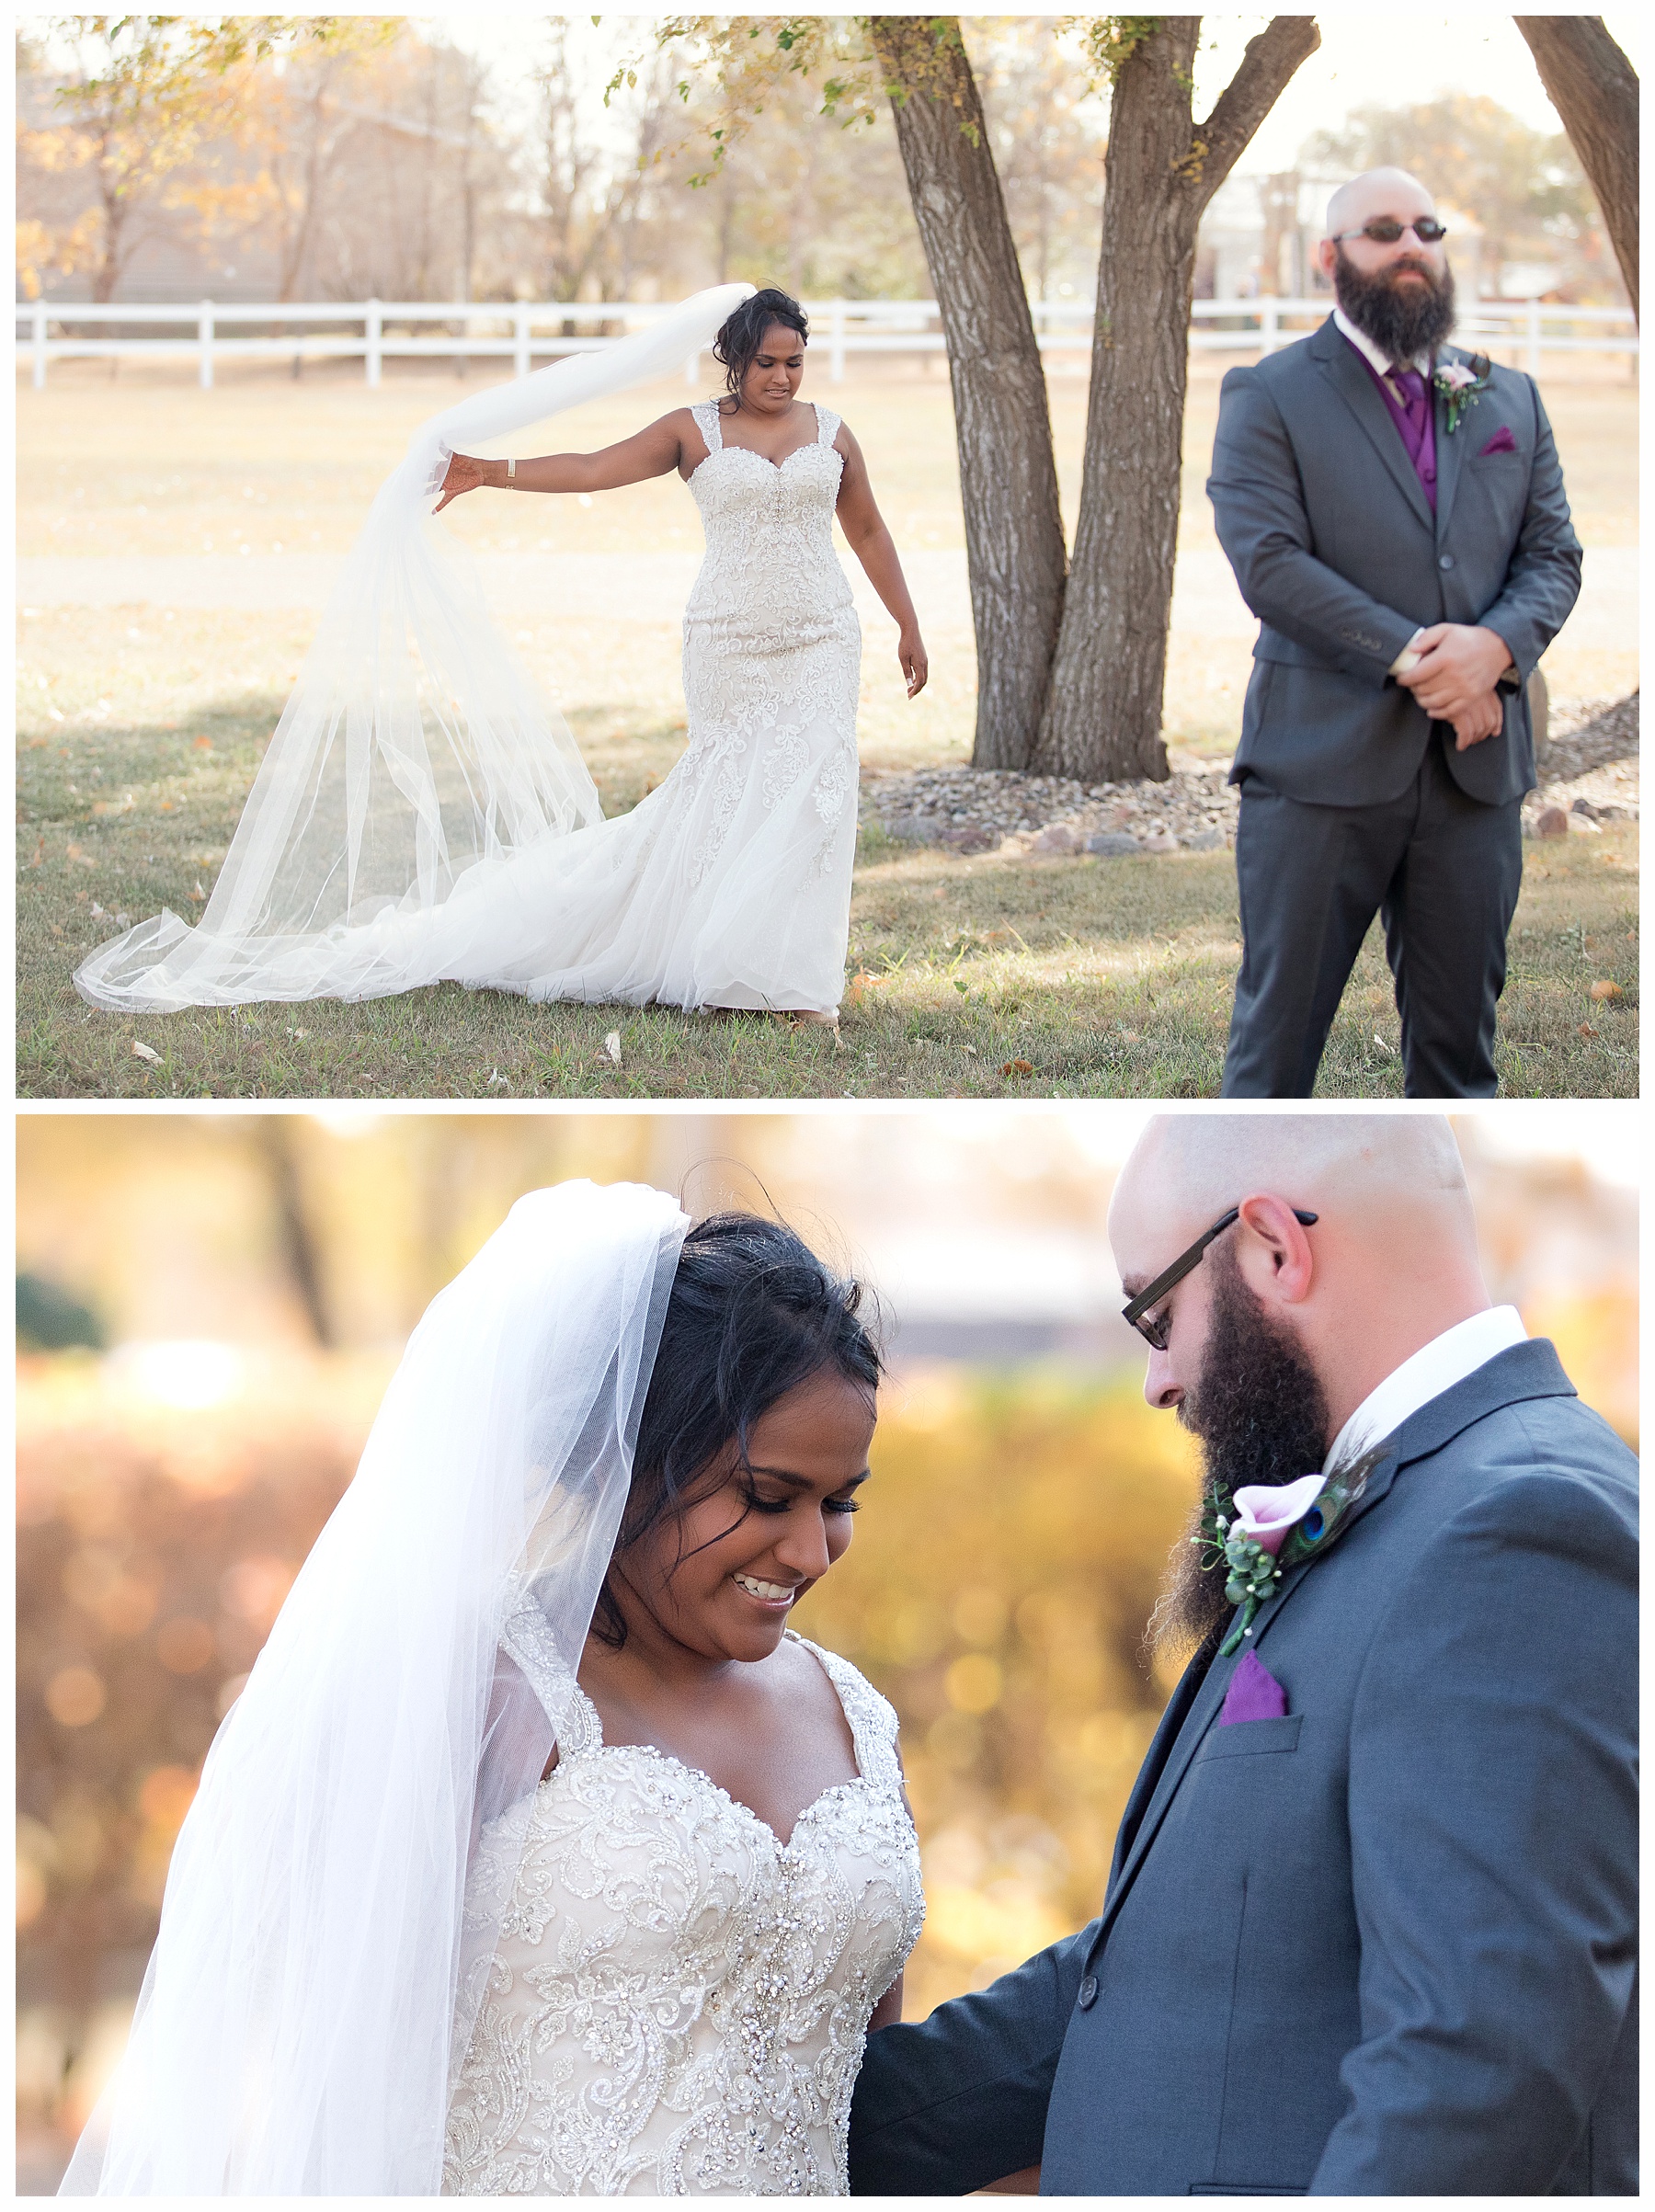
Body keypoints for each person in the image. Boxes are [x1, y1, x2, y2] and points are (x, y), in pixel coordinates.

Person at [62, 1184, 921, 2195]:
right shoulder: (483, 1694)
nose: (813, 1548)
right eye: (769, 1498)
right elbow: (350, 2085)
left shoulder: (850, 1712)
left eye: (841, 1502)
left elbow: (875, 2073)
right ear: (625, 1464)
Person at [848, 1113, 1637, 2195]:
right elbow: (1192, 1952)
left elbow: (1479, 2065)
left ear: (1274, 1245)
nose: (1157, 1381)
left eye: (1155, 1315)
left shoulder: (1520, 1527)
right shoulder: (1396, 1506)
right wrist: (786, 2132)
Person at [74, 286, 928, 1027]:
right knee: (725, 793)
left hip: (822, 634)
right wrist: (491, 470)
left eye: (797, 363)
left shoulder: (835, 433)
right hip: (731, 641)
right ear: (733, 362)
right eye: (770, 363)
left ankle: (786, 979)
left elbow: (867, 529)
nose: (784, 378)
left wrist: (906, 622)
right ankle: (723, 963)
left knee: (812, 795)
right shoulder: (691, 430)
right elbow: (594, 468)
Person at [1206, 169, 1582, 1099]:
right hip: (1319, 774)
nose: (1410, 243)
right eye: (1382, 229)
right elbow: (1271, 564)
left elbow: (1554, 557)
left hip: (1475, 774)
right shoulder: (1269, 392)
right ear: (1331, 257)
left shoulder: (1509, 398)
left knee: (1462, 1072)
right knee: (1273, 1060)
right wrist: (1422, 658)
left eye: (1427, 225)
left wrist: (1491, 651)